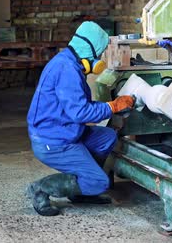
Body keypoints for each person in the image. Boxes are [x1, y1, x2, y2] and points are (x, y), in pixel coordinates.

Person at [26, 21, 134, 216]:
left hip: (66, 130)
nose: (99, 59)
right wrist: (113, 106)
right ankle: (40, 189)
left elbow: (78, 109)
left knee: (107, 137)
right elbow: (81, 113)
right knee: (100, 182)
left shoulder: (70, 62)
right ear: (90, 51)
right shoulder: (67, 70)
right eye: (99, 54)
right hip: (54, 141)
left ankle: (80, 191)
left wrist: (110, 108)